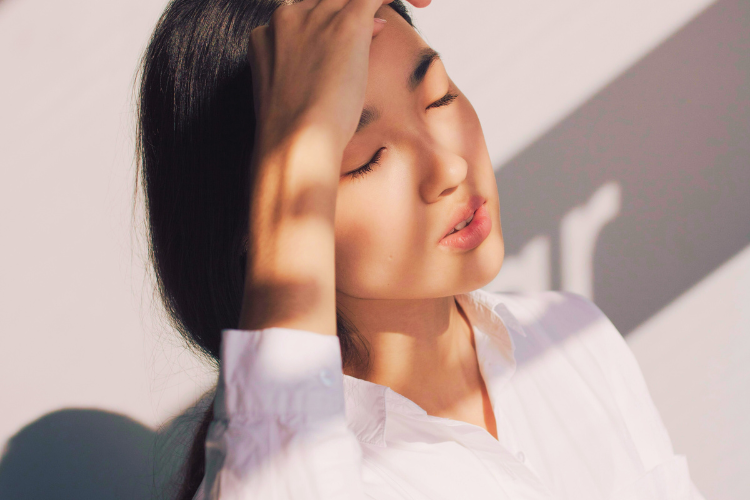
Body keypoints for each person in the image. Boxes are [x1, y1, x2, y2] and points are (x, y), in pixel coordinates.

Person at [136, 0, 706, 498]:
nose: (449, 167)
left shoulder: (573, 337)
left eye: (439, 97)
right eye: (364, 159)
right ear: (260, 217)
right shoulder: (317, 468)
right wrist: (298, 148)